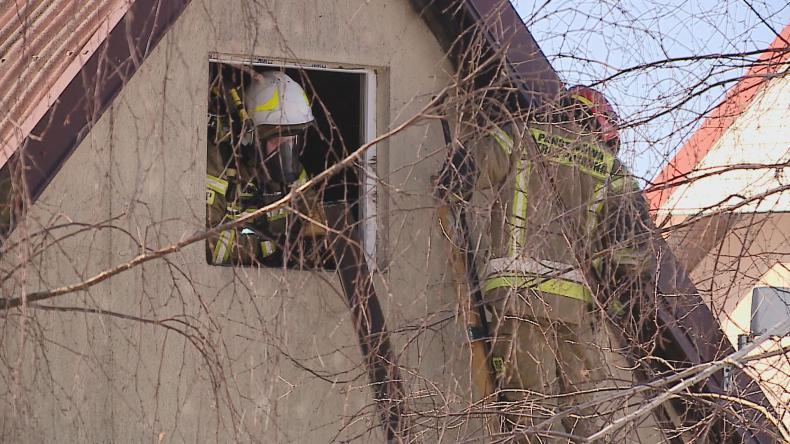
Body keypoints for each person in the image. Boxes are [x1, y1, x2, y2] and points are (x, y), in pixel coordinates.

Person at [438, 86, 650, 441]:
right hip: (574, 312)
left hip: (518, 302)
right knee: (585, 418)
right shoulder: (612, 169)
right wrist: (612, 304)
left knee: (529, 416)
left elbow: (462, 175)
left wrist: (448, 185)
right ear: (602, 127)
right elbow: (631, 254)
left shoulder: (518, 136)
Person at [206, 70, 326, 266]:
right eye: (278, 139)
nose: (286, 149)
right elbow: (206, 250)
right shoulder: (217, 168)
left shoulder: (295, 175)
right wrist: (273, 246)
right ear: (250, 137)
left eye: (292, 139)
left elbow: (317, 229)